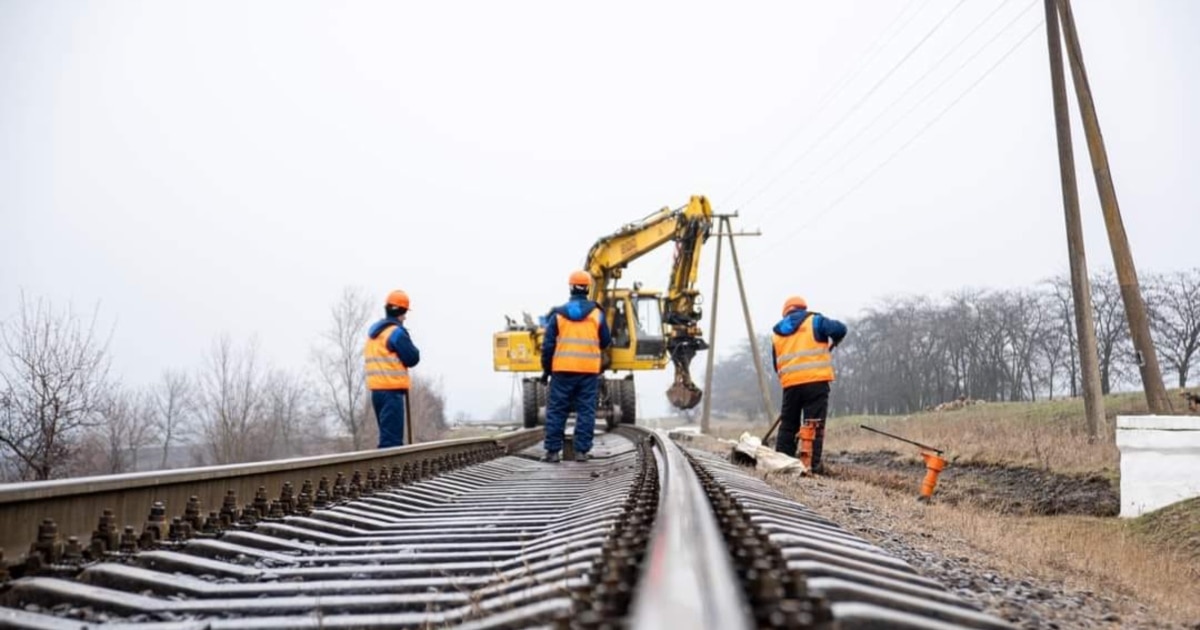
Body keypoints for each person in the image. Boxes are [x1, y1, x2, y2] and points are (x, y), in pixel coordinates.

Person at [541, 270, 612, 463]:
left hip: (562, 370)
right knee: (586, 410)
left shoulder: (557, 315)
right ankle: (581, 452)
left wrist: (546, 370)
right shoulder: (597, 314)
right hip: (588, 371)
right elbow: (606, 341)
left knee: (557, 410)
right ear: (588, 288)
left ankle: (553, 452)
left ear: (571, 287)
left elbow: (547, 346)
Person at [771, 295, 847, 472]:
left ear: (785, 313)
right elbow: (840, 329)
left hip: (791, 385)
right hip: (816, 382)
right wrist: (835, 338)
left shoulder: (777, 333)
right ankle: (810, 465)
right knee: (814, 424)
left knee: (788, 425)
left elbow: (777, 364)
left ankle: (783, 463)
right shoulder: (815, 321)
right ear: (803, 308)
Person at [364, 290, 421, 448]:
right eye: (405, 314)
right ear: (401, 312)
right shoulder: (395, 333)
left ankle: (386, 468)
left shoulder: (374, 334)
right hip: (391, 392)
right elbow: (412, 357)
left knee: (386, 436)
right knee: (392, 443)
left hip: (376, 392)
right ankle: (388, 471)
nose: (405, 317)